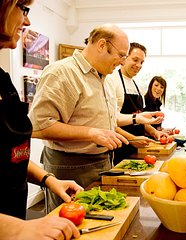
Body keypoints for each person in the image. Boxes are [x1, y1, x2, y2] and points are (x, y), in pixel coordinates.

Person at [29, 25, 159, 211]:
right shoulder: (61, 73)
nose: (123, 62)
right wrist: (90, 133)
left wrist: (136, 120)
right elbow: (38, 127)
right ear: (101, 45)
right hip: (70, 167)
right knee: (71, 228)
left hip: (103, 161)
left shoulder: (104, 77)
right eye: (122, 55)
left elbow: (108, 121)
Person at [0, 1, 83, 239]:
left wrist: (48, 179)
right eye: (22, 8)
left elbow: (11, 155)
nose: (26, 21)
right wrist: (16, 229)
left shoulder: (3, 81)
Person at [110, 42, 167, 165]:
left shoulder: (137, 87)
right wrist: (132, 139)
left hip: (137, 149)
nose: (139, 65)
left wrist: (154, 132)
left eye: (142, 62)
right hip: (119, 149)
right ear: (124, 58)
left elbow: (139, 118)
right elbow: (110, 122)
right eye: (135, 60)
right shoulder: (112, 81)